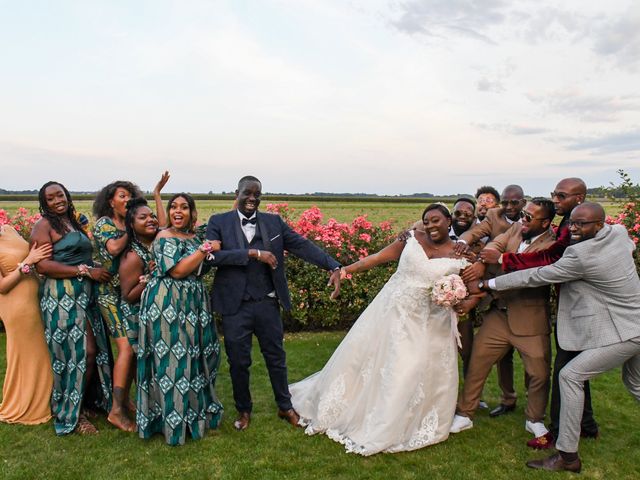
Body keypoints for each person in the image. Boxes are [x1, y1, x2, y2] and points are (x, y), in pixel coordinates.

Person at [290, 203, 477, 455]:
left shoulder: (461, 254)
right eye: (427, 221)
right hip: (390, 314)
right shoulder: (410, 238)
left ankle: (402, 422)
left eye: (436, 220)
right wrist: (344, 271)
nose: (431, 225)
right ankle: (364, 412)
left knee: (412, 370)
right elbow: (377, 258)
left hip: (430, 325)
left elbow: (476, 290)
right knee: (371, 363)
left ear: (448, 220)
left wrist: (461, 300)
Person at [484, 202, 640, 472]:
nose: (573, 229)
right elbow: (629, 247)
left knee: (570, 376)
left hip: (627, 332)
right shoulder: (619, 235)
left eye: (582, 224)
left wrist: (489, 284)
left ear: (599, 224)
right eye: (572, 223)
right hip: (634, 320)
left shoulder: (580, 256)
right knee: (635, 382)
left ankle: (567, 457)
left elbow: (537, 276)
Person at [206, 175, 342, 431]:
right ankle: (243, 410)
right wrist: (253, 253)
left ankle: (285, 406)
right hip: (235, 306)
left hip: (267, 303)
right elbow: (212, 256)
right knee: (238, 361)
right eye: (247, 193)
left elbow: (303, 246)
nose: (252, 198)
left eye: (257, 194)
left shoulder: (273, 223)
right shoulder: (218, 222)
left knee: (276, 357)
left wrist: (333, 264)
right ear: (236, 193)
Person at [477, 177, 599, 445]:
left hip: (579, 308)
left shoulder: (570, 229)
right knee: (573, 370)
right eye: (554, 194)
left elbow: (547, 261)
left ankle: (557, 429)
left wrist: (498, 268)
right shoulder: (568, 223)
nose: (556, 199)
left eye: (562, 195)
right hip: (566, 305)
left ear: (579, 198)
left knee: (563, 373)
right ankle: (586, 424)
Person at [451, 198, 556, 447]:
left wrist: (498, 260)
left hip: (529, 318)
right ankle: (465, 413)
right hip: (498, 313)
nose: (523, 220)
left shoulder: (552, 245)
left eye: (530, 217)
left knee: (539, 372)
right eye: (523, 215)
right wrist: (480, 261)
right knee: (477, 362)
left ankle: (534, 418)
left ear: (546, 222)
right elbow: (495, 245)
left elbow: (529, 276)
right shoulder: (517, 228)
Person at [137, 193, 223, 445]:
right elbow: (177, 271)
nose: (177, 211)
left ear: (191, 213)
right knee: (173, 359)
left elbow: (224, 222)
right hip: (166, 303)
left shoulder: (195, 237)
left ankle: (193, 415)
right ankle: (171, 423)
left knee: (200, 356)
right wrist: (205, 249)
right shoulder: (164, 237)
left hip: (194, 304)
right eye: (173, 206)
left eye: (184, 207)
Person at [31, 181, 113, 435]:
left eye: (61, 195)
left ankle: (86, 402)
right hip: (61, 297)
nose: (58, 200)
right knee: (75, 355)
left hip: (85, 294)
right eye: (51, 198)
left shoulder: (73, 221)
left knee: (94, 350)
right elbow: (43, 266)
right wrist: (85, 270)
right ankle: (70, 412)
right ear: (44, 203)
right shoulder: (43, 226)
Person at [91, 173, 169, 432]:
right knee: (126, 350)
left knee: (135, 350)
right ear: (111, 202)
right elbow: (113, 249)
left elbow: (162, 227)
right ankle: (116, 410)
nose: (127, 199)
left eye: (130, 196)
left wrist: (156, 194)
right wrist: (129, 224)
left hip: (130, 292)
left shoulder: (135, 225)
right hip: (110, 295)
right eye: (122, 196)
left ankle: (128, 402)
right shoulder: (104, 224)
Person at [456, 185, 527, 417]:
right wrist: (462, 243)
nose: (509, 207)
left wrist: (485, 262)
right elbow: (473, 234)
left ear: (523, 203)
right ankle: (508, 399)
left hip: (524, 296)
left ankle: (536, 410)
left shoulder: (532, 220)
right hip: (493, 296)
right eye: (505, 203)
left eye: (513, 203)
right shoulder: (492, 217)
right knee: (499, 355)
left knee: (532, 360)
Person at [0, 226, 53, 424]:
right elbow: (2, 287)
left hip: (35, 297)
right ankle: (25, 405)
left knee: (41, 355)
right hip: (17, 305)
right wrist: (27, 263)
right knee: (26, 355)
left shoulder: (8, 229)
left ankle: (45, 400)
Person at [119, 198, 159, 355]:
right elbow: (128, 296)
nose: (150, 220)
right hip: (137, 316)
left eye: (152, 216)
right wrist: (149, 277)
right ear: (131, 224)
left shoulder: (157, 243)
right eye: (143, 218)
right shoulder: (133, 256)